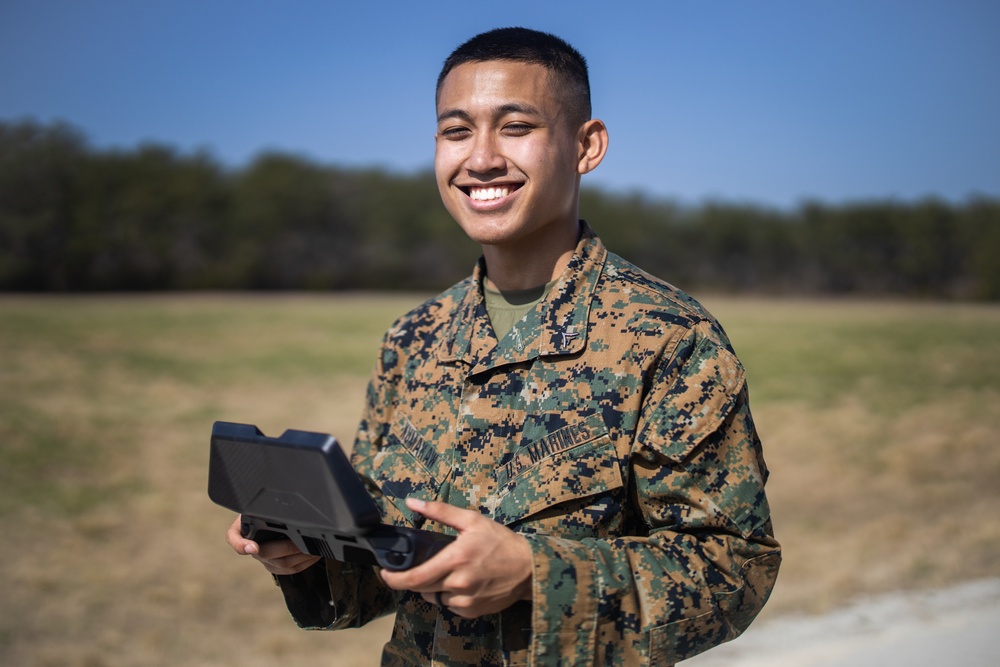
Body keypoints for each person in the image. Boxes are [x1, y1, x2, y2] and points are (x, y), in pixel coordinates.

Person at [226, 26, 780, 666]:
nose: (481, 158)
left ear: (586, 145)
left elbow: (734, 570)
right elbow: (384, 564)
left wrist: (533, 574)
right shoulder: (413, 339)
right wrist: (307, 553)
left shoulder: (666, 337)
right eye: (456, 131)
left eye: (515, 127)